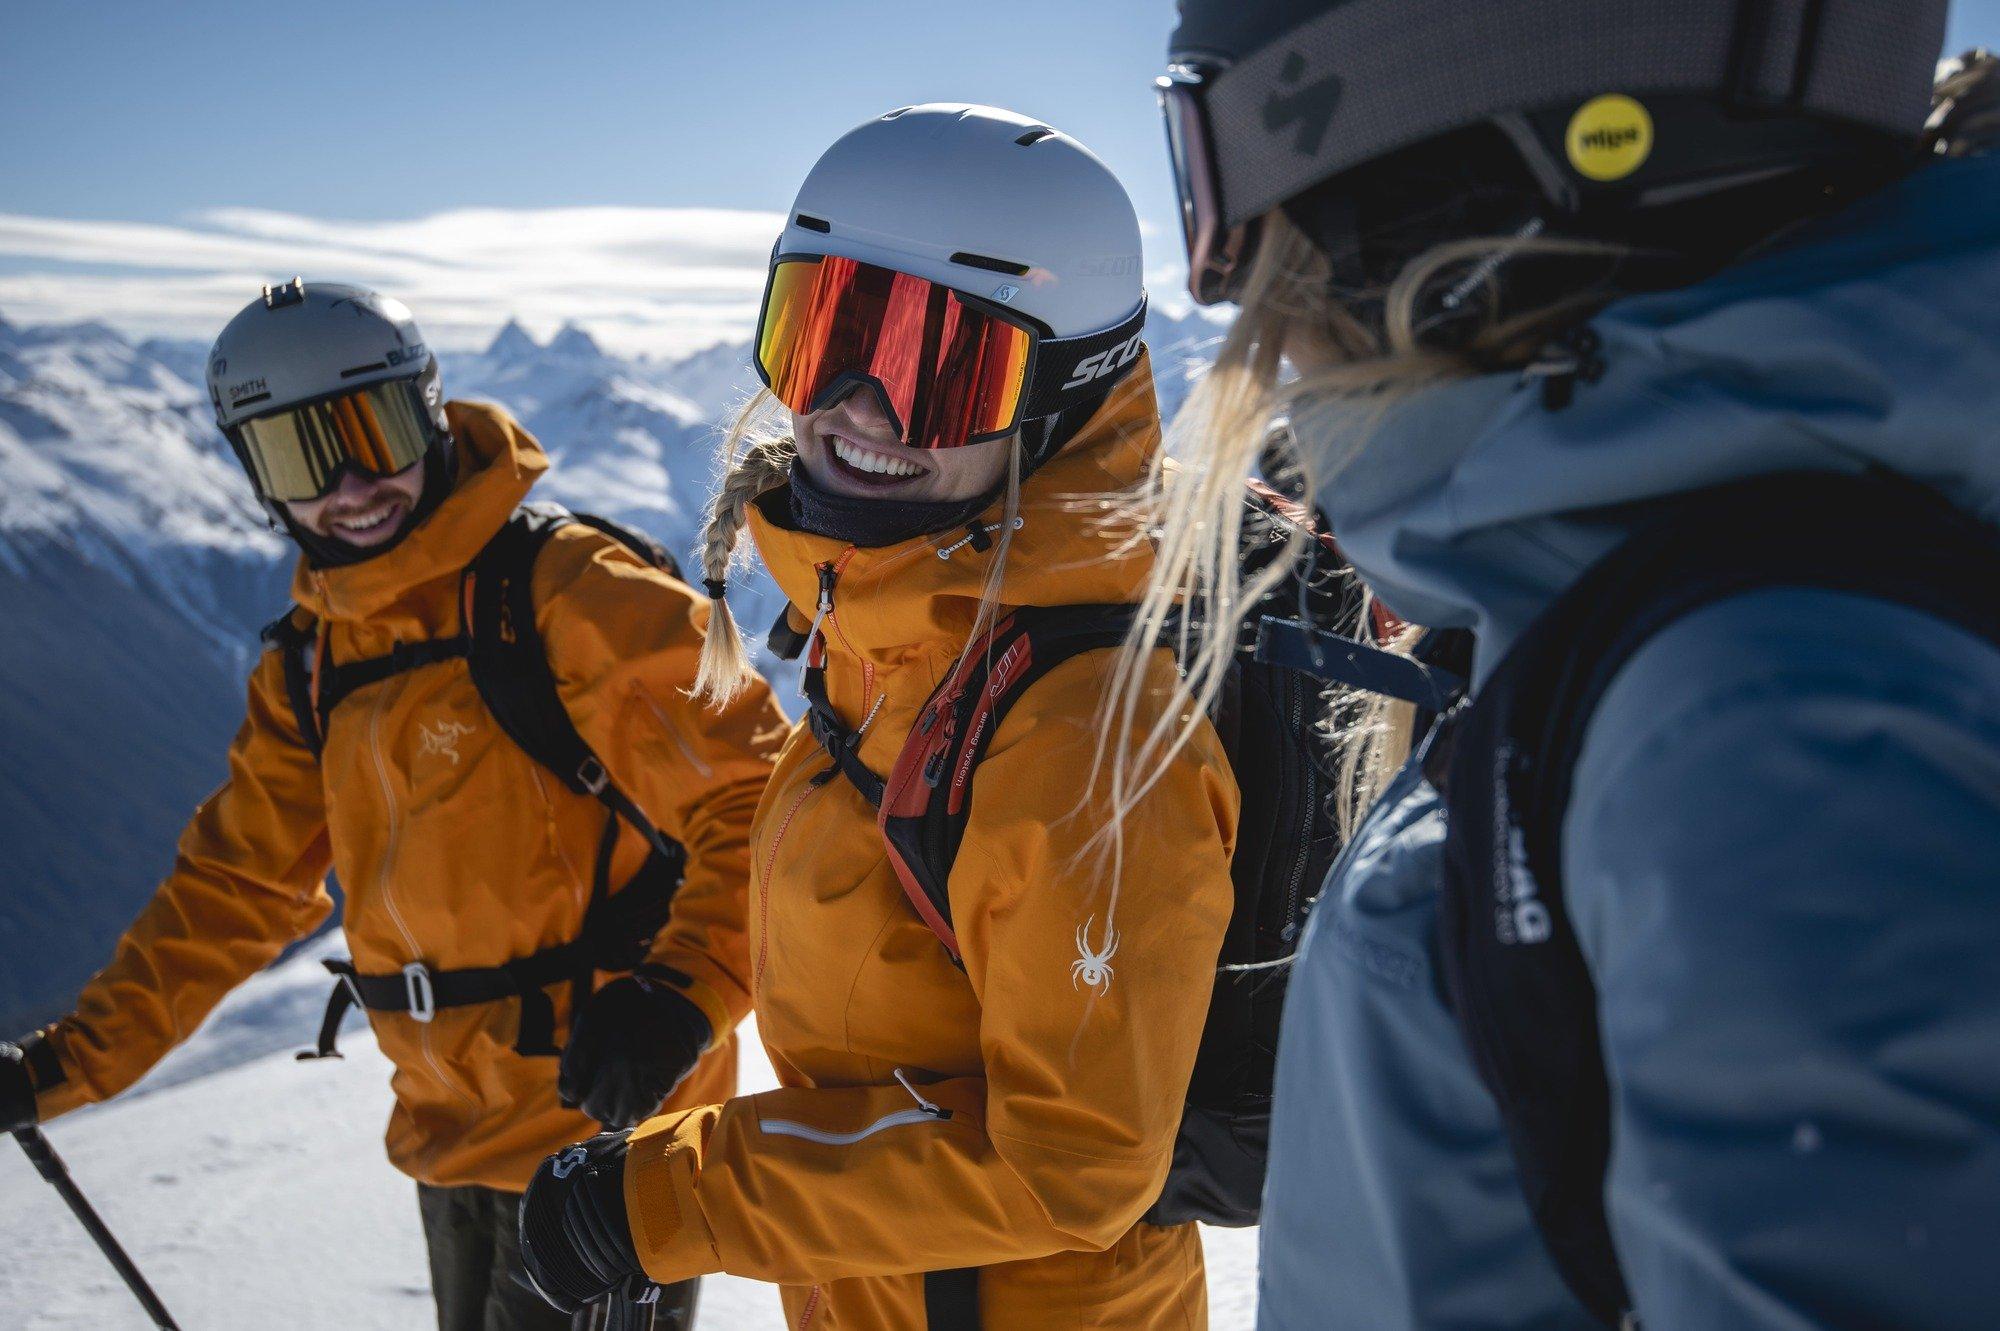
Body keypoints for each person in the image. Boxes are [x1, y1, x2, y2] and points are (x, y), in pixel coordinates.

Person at [1119, 4, 2000, 1328]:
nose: (1235, 291)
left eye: (1227, 190)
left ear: (1426, 170)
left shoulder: (1767, 716)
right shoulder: (1680, 622)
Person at [511, 104, 1241, 1330]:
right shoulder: (910, 626)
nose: (857, 409)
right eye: (825, 337)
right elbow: (868, 906)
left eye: (937, 367)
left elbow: (1076, 1163)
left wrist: (666, 1200)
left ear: (1064, 395)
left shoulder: (1078, 741)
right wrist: (693, 985)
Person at [0, 281, 788, 1331]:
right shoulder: (316, 660)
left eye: (372, 431)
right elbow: (232, 887)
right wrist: (65, 1064)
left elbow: (767, 797)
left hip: (605, 1138)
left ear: (427, 408)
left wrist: (682, 993)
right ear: (253, 478)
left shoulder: (565, 591)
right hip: (447, 1134)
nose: (351, 483)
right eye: (299, 457)